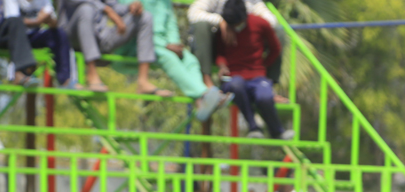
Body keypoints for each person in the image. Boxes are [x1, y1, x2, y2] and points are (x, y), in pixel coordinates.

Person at [119, 0, 226, 120]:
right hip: (138, 45)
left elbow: (171, 24)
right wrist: (165, 45)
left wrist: (175, 44)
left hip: (162, 44)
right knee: (168, 58)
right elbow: (133, 25)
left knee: (190, 60)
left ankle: (202, 100)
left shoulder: (165, 2)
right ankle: (203, 94)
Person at [214, 0, 289, 139]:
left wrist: (264, 66)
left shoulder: (260, 23)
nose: (236, 27)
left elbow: (275, 48)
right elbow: (219, 53)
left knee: (265, 96)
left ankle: (278, 131)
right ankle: (253, 126)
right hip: (233, 77)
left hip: (257, 77)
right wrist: (222, 66)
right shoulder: (223, 29)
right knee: (236, 85)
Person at [59, 0, 168, 94]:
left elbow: (115, 7)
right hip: (72, 36)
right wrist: (107, 10)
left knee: (145, 17)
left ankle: (143, 81)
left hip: (100, 36)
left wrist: (130, 7)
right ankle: (91, 75)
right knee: (86, 9)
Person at [186, 0, 282, 87]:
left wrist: (247, 19)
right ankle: (206, 82)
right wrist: (221, 21)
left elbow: (272, 21)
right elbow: (193, 14)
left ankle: (267, 84)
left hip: (243, 49)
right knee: (201, 26)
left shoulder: (251, 2)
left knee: (278, 33)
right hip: (212, 47)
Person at [18, 0, 73, 87]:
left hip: (36, 35)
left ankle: (65, 80)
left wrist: (49, 19)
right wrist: (38, 21)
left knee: (60, 33)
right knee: (15, 30)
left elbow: (54, 24)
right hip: (17, 37)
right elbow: (12, 21)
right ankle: (21, 75)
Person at [0, 0, 39, 86]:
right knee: (15, 21)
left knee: (15, 22)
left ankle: (22, 72)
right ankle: (23, 70)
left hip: (7, 34)